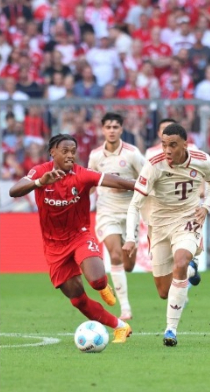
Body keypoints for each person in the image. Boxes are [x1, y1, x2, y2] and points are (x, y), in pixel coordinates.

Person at [8, 134, 135, 343]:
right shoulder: (40, 172)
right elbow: (14, 191)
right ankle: (120, 326)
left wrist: (140, 185)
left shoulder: (82, 174)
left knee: (97, 280)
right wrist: (40, 182)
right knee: (77, 300)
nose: (70, 155)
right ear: (53, 152)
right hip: (54, 246)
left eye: (73, 151)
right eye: (65, 151)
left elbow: (114, 181)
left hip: (79, 236)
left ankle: (103, 286)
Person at [123, 123, 210, 347]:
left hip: (187, 219)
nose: (167, 150)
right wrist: (131, 237)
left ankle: (170, 330)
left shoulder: (202, 160)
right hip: (159, 225)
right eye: (164, 145)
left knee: (181, 259)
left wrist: (205, 206)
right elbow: (135, 205)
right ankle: (191, 271)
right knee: (163, 292)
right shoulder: (153, 165)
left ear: (185, 145)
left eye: (173, 145)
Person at [88, 112, 146, 320]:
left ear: (121, 129)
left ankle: (120, 282)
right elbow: (91, 183)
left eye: (115, 127)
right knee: (114, 255)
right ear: (102, 130)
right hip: (107, 212)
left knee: (128, 265)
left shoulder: (132, 154)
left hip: (130, 212)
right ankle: (126, 309)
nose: (111, 131)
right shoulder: (95, 156)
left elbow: (147, 178)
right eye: (108, 127)